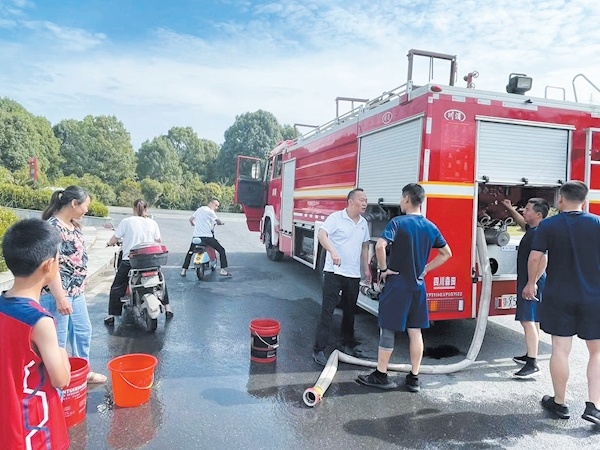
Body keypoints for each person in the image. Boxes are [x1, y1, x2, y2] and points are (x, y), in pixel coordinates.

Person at [357, 183, 451, 391]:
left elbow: (380, 246)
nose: (400, 202)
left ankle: (381, 374)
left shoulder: (398, 223)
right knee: (415, 331)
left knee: (388, 329)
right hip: (418, 287)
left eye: (401, 198)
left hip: (397, 285)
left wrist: (383, 269)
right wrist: (425, 269)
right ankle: (414, 378)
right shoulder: (430, 226)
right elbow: (447, 253)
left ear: (407, 199)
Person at [524, 181, 600, 425]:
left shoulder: (548, 225)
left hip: (559, 295)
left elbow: (536, 257)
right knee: (597, 351)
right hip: (593, 296)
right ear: (584, 201)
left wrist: (531, 283)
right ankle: (594, 406)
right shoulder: (597, 223)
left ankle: (560, 403)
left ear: (561, 199)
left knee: (560, 349)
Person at [0, 219, 71, 450]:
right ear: (48, 265)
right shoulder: (39, 321)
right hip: (35, 432)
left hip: (7, 424)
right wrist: (62, 353)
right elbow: (61, 379)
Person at [40, 186, 107, 384]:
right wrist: (60, 298)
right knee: (58, 340)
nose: (87, 210)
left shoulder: (72, 225)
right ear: (74, 203)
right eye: (86, 205)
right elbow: (51, 267)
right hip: (57, 294)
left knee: (82, 332)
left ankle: (82, 372)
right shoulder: (53, 228)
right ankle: (56, 383)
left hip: (76, 292)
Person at [312, 188, 371, 366]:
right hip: (334, 273)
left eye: (366, 200)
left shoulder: (363, 223)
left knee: (350, 312)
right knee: (327, 311)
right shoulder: (336, 218)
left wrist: (366, 268)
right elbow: (321, 234)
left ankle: (347, 344)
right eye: (361, 200)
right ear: (350, 201)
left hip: (353, 275)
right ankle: (319, 349)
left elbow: (365, 246)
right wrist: (333, 251)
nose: (365, 203)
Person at [104, 199, 173, 325]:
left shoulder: (126, 222)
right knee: (160, 281)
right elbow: (159, 240)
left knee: (117, 286)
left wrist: (109, 243)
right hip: (151, 260)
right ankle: (168, 308)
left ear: (134, 209)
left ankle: (111, 315)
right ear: (146, 209)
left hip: (131, 261)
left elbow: (114, 239)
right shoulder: (152, 223)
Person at [502, 197, 549, 378]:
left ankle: (532, 364)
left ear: (538, 215)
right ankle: (530, 354)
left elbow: (543, 259)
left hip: (532, 281)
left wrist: (532, 283)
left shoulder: (539, 234)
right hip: (530, 280)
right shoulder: (534, 229)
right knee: (532, 319)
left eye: (528, 209)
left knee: (527, 320)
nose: (524, 211)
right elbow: (522, 222)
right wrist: (509, 208)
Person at [181, 198, 231, 277]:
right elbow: (218, 221)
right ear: (211, 203)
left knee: (190, 252)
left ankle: (183, 270)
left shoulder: (199, 209)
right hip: (207, 237)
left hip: (196, 237)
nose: (216, 208)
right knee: (221, 250)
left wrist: (193, 224)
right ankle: (223, 270)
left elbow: (190, 219)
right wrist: (220, 223)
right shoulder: (210, 212)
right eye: (216, 205)